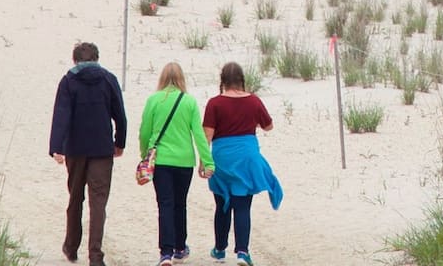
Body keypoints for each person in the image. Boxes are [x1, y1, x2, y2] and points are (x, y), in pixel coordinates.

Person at [49, 42, 127, 266]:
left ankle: (71, 247)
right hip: (102, 149)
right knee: (98, 202)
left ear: (75, 60)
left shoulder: (68, 81)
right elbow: (120, 115)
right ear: (96, 58)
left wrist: (56, 147)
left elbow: (61, 115)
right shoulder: (108, 79)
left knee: (76, 197)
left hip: (75, 149)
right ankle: (95, 255)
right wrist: (119, 142)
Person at [202, 62, 282, 266]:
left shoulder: (214, 103)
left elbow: (207, 136)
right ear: (241, 80)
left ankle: (220, 249)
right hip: (247, 157)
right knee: (242, 205)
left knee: (222, 203)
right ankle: (242, 252)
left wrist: (204, 162)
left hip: (222, 158)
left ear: (223, 80)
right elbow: (269, 126)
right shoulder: (253, 101)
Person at [137, 62, 212, 266]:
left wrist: (145, 155)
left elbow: (145, 131)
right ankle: (180, 247)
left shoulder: (154, 100)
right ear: (181, 79)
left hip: (161, 160)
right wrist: (207, 161)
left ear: (162, 78)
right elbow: (198, 134)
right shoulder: (189, 102)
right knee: (180, 203)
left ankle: (166, 252)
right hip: (184, 161)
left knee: (165, 204)